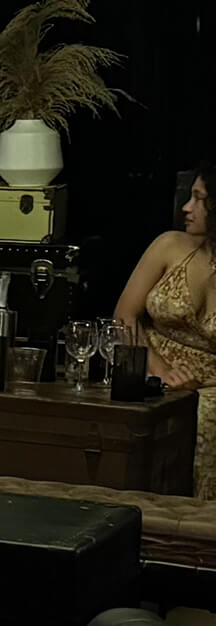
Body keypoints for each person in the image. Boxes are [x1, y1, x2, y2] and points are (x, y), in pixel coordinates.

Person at [113, 165, 216, 494]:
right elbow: (124, 317)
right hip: (148, 371)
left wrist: (197, 384)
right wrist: (161, 371)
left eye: (198, 199)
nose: (186, 207)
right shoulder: (169, 245)